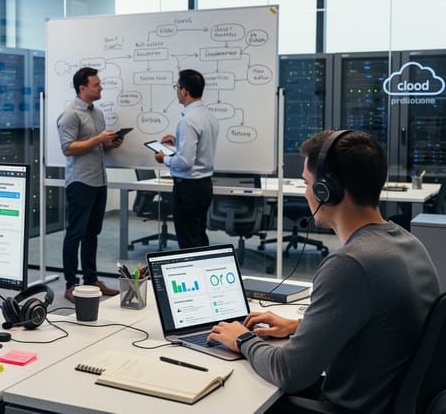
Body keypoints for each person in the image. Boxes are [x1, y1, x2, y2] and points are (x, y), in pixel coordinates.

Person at [206, 130, 440, 414]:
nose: (306, 192)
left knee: (231, 394)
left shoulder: (351, 263)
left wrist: (242, 339)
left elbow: (290, 373)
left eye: (307, 182)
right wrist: (299, 327)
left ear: (325, 190)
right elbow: (377, 326)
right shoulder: (407, 242)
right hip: (384, 401)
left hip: (346, 409)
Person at [57, 67, 124, 303]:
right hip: (80, 182)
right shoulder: (70, 114)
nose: (101, 87)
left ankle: (91, 279)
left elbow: (97, 146)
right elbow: (67, 148)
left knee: (92, 233)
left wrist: (111, 143)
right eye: (96, 84)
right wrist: (98, 139)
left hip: (98, 180)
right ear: (82, 88)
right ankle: (70, 285)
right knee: (74, 234)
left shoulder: (97, 113)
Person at [153, 69, 219, 248]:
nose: (176, 91)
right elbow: (200, 149)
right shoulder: (209, 116)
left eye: (177, 87)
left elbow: (184, 162)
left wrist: (163, 158)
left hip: (188, 189)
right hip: (204, 185)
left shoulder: (188, 121)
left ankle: (192, 275)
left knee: (188, 241)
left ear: (184, 90)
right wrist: (178, 144)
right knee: (198, 237)